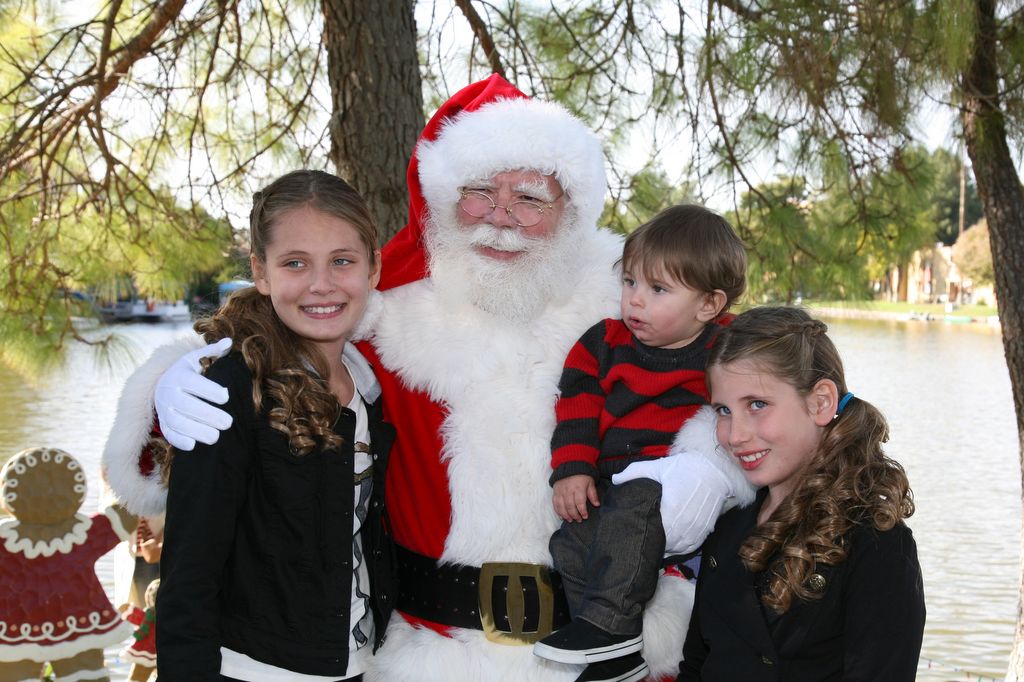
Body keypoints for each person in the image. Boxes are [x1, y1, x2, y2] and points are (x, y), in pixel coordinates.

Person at [106, 75, 738, 681]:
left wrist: (706, 467)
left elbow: (762, 388)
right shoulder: (389, 316)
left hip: (603, 652)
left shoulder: (631, 305)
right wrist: (176, 379)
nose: (502, 217)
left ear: (571, 208)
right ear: (441, 200)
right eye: (480, 192)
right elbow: (281, 333)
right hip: (427, 650)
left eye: (530, 198)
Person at [155, 169, 394, 680]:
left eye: (342, 261)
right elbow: (188, 576)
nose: (322, 284)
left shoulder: (371, 386)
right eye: (295, 263)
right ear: (261, 273)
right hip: (255, 669)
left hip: (361, 664)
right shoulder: (231, 390)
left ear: (374, 266)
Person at [534, 205, 756, 682]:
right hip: (614, 482)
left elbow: (770, 391)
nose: (635, 300)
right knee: (570, 541)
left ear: (708, 305)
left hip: (677, 482)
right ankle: (607, 648)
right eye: (630, 282)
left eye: (658, 290)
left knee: (637, 502)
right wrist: (572, 470)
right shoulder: (603, 343)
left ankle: (609, 627)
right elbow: (575, 407)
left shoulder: (729, 347)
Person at [678, 306, 925, 681]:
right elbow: (696, 665)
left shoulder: (875, 545)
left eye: (757, 405)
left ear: (820, 402)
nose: (734, 434)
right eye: (723, 410)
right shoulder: (726, 524)